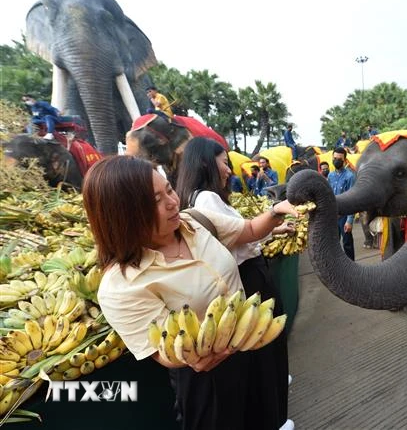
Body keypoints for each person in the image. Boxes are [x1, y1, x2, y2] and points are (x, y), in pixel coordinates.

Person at [82, 155, 299, 429]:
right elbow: (166, 354)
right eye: (154, 201)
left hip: (252, 346)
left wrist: (277, 210)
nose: (172, 203)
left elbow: (250, 229)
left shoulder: (196, 222)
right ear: (123, 215)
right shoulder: (121, 286)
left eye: (169, 190)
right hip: (208, 379)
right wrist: (201, 351)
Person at [176, 137, 294, 429]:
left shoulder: (192, 197)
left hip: (245, 273)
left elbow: (244, 234)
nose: (228, 170)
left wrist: (274, 230)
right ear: (206, 162)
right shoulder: (206, 198)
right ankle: (273, 416)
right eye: (224, 162)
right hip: (249, 276)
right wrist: (276, 214)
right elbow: (247, 236)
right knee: (265, 353)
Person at [328, 147, 356, 260]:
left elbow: (352, 200)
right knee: (333, 243)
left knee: (347, 243)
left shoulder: (350, 176)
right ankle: (336, 267)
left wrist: (350, 221)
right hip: (333, 215)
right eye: (335, 158)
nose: (336, 161)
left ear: (344, 160)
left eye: (339, 159)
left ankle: (351, 269)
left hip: (344, 215)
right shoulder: (330, 176)